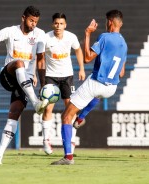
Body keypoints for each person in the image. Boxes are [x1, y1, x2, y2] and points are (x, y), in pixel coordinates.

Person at [51, 9, 127, 165]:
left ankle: (68, 157)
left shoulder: (105, 37)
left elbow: (86, 58)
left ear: (110, 22)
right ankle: (80, 118)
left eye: (107, 21)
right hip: (111, 88)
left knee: (66, 116)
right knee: (96, 96)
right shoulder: (124, 44)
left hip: (96, 83)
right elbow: (121, 73)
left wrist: (87, 33)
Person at [0, 5, 47, 165]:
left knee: (14, 115)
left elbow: (41, 59)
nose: (33, 25)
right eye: (31, 20)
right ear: (23, 18)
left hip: (25, 83)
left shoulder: (40, 35)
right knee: (19, 62)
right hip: (8, 75)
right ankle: (36, 102)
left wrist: (43, 84)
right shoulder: (10, 31)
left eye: (36, 22)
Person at [41, 13, 85, 155]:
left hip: (67, 77)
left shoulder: (71, 37)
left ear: (65, 25)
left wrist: (82, 69)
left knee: (70, 109)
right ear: (52, 24)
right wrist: (39, 76)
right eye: (56, 23)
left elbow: (78, 50)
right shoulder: (46, 38)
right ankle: (46, 140)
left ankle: (71, 140)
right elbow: (40, 58)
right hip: (51, 77)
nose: (58, 26)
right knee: (48, 109)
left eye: (61, 24)